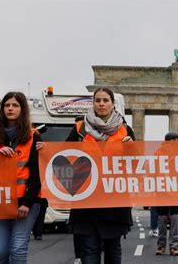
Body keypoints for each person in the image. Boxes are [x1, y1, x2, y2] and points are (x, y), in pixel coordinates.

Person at [66, 87, 134, 264]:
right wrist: (43, 150)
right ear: (93, 103)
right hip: (87, 199)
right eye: (98, 100)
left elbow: (134, 165)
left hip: (114, 202)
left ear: (113, 104)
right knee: (89, 252)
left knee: (113, 252)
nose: (101, 104)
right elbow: (63, 154)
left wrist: (132, 149)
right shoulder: (80, 128)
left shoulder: (126, 130)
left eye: (105, 100)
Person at [0, 92, 42, 263]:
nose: (10, 108)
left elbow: (37, 173)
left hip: (25, 203)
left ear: (22, 110)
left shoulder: (33, 136)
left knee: (17, 250)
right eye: (7, 105)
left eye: (15, 105)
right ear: (2, 109)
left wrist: (27, 203)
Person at [155, 132, 178, 256]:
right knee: (162, 220)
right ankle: (162, 246)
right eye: (177, 139)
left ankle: (173, 246)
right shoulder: (159, 153)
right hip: (163, 191)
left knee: (175, 219)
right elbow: (154, 169)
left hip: (176, 191)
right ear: (171, 141)